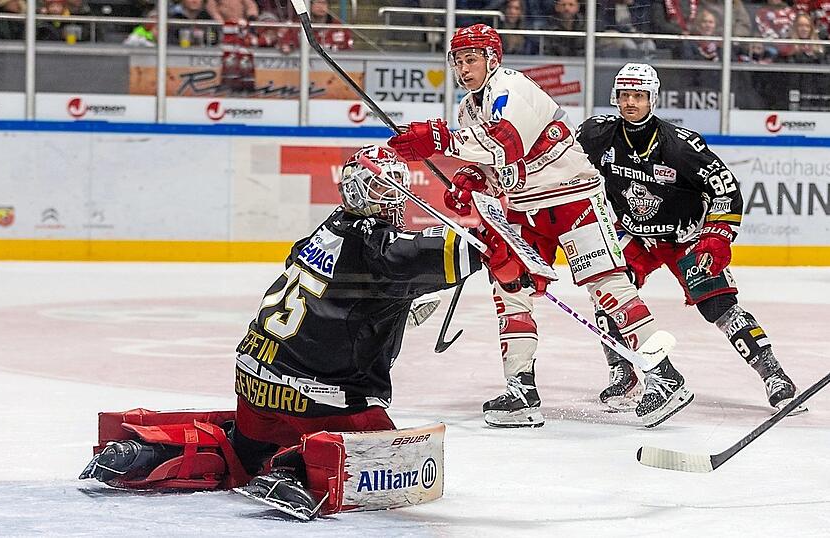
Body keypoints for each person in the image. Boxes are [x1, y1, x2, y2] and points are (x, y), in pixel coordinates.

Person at [80, 145, 528, 518]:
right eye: (381, 187)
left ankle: (149, 452)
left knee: (242, 453)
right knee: (391, 451)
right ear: (358, 191)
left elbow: (340, 303)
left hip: (253, 382)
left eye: (395, 185)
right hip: (315, 400)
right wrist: (495, 223)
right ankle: (293, 470)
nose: (393, 197)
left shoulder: (323, 231)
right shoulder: (380, 251)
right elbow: (462, 250)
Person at [387, 24, 693, 429]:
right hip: (525, 209)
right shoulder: (467, 108)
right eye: (458, 61)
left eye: (471, 59)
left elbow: (504, 144)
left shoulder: (512, 89)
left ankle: (665, 376)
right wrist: (474, 181)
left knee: (609, 288)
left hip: (573, 197)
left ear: (492, 59)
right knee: (509, 288)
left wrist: (442, 141)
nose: (463, 68)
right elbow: (501, 167)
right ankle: (522, 390)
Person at [575, 63, 804, 414]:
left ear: (653, 98)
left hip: (685, 239)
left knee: (719, 307)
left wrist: (717, 236)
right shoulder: (597, 135)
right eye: (625, 95)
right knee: (607, 299)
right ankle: (623, 372)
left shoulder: (680, 146)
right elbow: (560, 161)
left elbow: (725, 187)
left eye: (638, 95)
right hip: (636, 237)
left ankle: (772, 372)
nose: (631, 102)